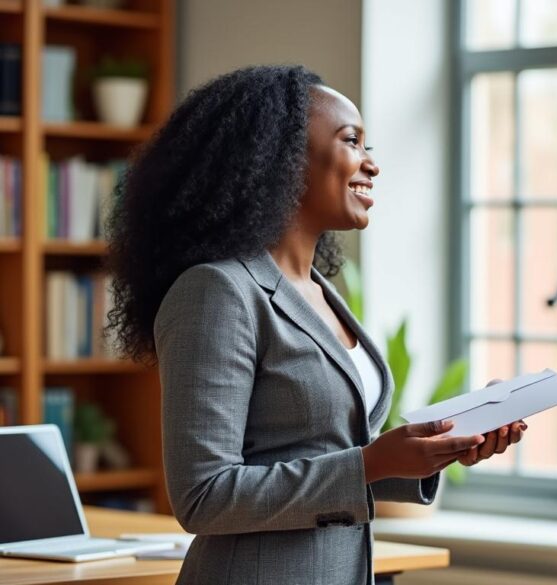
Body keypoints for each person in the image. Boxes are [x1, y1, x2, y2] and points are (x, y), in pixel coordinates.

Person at [106, 65, 523, 585]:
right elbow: (203, 496)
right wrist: (371, 463)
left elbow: (324, 456)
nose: (372, 164)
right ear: (283, 161)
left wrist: (437, 447)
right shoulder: (216, 292)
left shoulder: (321, 292)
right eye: (353, 141)